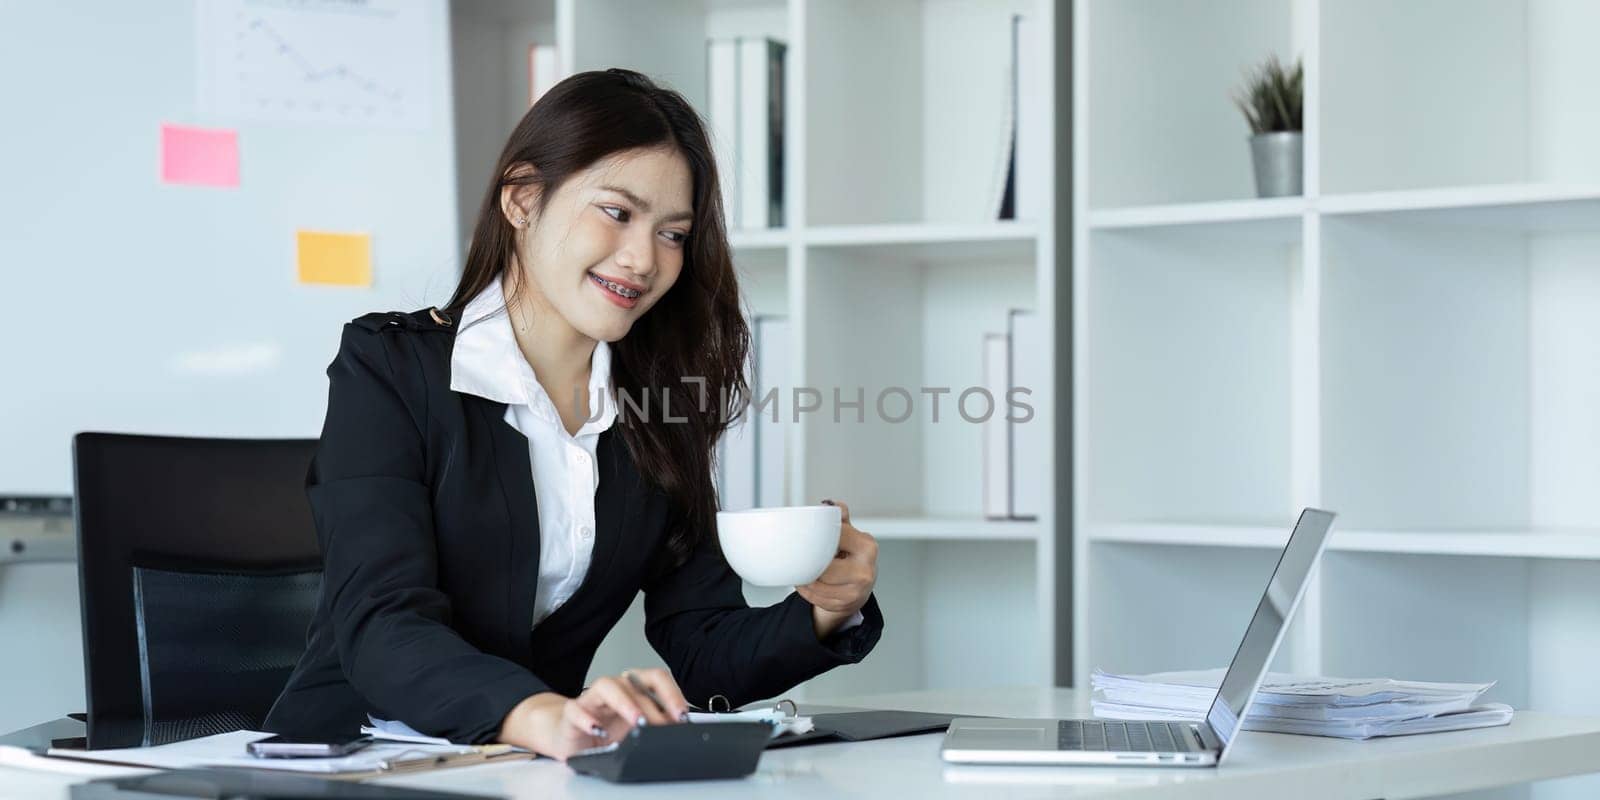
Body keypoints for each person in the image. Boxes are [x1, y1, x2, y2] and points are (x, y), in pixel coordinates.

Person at [261, 68, 883, 760]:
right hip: (349, 762)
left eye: (673, 234)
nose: (644, 259)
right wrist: (539, 714)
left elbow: (703, 647)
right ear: (523, 199)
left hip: (523, 769)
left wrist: (828, 610)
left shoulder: (655, 410)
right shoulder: (391, 369)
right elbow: (381, 622)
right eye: (616, 212)